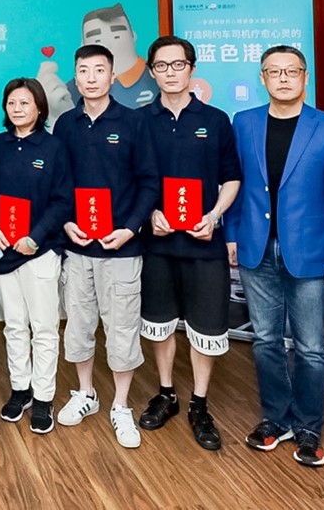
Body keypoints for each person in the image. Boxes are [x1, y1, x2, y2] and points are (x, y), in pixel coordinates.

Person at [224, 45, 324, 468]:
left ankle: (308, 427)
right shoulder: (244, 123)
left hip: (311, 253)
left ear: (305, 78)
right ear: (262, 79)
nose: (283, 78)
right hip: (256, 248)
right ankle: (275, 419)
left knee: (311, 347)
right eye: (274, 71)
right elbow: (235, 185)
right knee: (265, 341)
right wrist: (231, 235)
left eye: (292, 71)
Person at [53, 43, 160, 449]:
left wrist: (130, 229)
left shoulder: (134, 122)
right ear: (76, 77)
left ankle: (120, 404)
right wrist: (66, 222)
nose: (91, 78)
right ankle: (86, 393)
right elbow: (59, 184)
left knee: (122, 328)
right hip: (78, 245)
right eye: (84, 70)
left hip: (122, 248)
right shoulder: (66, 125)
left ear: (112, 76)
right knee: (78, 325)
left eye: (100, 70)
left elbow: (149, 182)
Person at [137, 37, 241, 451]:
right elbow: (132, 181)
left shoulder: (215, 120)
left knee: (205, 326)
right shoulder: (140, 121)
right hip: (158, 245)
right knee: (160, 323)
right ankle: (166, 393)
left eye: (178, 64)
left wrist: (213, 216)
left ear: (192, 68)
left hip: (204, 245)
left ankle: (200, 403)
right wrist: (150, 214)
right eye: (161, 66)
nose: (170, 72)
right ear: (151, 72)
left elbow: (232, 177)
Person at [0, 78, 73, 435]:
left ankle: (44, 396)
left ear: (39, 108)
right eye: (12, 103)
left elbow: (62, 200)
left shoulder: (53, 146)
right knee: (14, 325)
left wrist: (35, 237)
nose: (17, 109)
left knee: (44, 327)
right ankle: (21, 389)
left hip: (40, 251)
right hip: (4, 250)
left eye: (25, 103)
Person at [38, 3, 158, 126]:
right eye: (97, 40)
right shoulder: (71, 90)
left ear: (133, 36)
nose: (108, 45)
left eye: (116, 36)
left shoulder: (156, 78)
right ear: (83, 44)